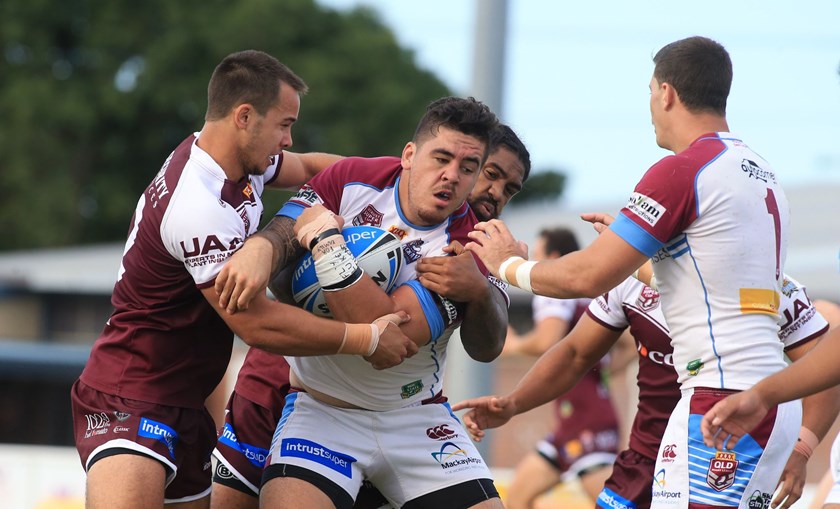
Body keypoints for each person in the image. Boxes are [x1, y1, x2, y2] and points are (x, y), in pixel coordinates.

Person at [69, 50, 416, 509]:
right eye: (284, 125)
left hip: (186, 401)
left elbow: (318, 170)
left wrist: (403, 183)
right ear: (245, 117)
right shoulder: (198, 204)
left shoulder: (233, 162)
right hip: (131, 392)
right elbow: (255, 326)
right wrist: (367, 338)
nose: (289, 140)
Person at [464, 36, 797, 508]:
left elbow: (586, 277)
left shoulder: (683, 169)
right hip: (763, 399)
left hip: (719, 399)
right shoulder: (759, 169)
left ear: (666, 93)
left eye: (649, 92)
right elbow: (702, 281)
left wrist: (509, 265)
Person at [210, 123, 530, 509]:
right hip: (289, 383)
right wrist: (261, 246)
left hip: (407, 412)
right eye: (491, 174)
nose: (494, 192)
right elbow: (291, 223)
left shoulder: (476, 247)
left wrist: (328, 248)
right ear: (412, 157)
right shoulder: (361, 178)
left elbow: (393, 339)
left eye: (508, 188)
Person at [456, 266, 839, 509]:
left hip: (720, 459)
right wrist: (513, 402)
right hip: (643, 458)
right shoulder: (631, 282)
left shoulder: (771, 286)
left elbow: (827, 371)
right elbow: (574, 352)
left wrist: (802, 449)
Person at [502, 227, 620, 509]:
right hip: (583, 414)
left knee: (613, 504)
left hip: (585, 419)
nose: (531, 262)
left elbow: (547, 340)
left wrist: (513, 345)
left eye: (538, 255)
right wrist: (599, 372)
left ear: (554, 258)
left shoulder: (553, 288)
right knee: (517, 497)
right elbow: (626, 346)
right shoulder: (589, 295)